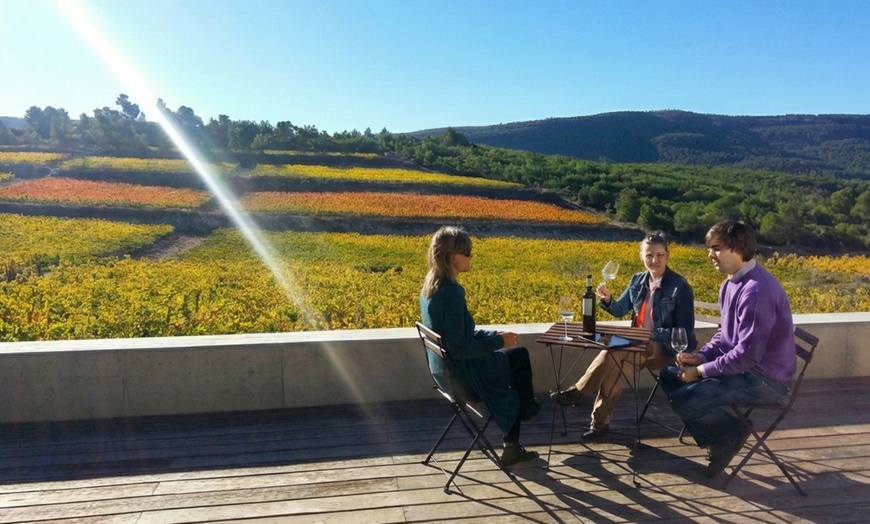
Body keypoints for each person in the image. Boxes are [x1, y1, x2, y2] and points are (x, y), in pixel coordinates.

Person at [659, 220, 796, 478]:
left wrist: (700, 372)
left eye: (716, 248)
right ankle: (726, 433)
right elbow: (725, 335)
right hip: (744, 370)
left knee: (686, 400)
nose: (709, 254)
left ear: (737, 248)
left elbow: (747, 355)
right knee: (669, 375)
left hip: (766, 381)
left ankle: (730, 434)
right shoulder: (730, 284)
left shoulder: (756, 290)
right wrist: (701, 356)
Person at [551, 232, 697, 440]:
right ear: (641, 256)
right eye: (649, 255)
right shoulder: (637, 280)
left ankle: (580, 391)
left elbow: (683, 332)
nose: (654, 260)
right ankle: (599, 422)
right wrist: (609, 299)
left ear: (667, 256)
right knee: (617, 357)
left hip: (664, 348)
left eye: (659, 255)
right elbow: (620, 310)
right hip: (633, 346)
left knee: (617, 350)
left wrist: (646, 334)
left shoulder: (679, 286)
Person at [419, 226, 541, 466]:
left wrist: (494, 334)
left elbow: (458, 334)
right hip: (463, 377)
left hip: (444, 374)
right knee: (517, 365)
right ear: (453, 257)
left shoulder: (430, 288)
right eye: (467, 253)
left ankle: (522, 417)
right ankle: (521, 420)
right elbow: (460, 348)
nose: (471, 257)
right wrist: (498, 342)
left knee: (515, 360)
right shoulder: (452, 293)